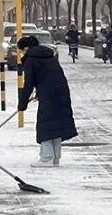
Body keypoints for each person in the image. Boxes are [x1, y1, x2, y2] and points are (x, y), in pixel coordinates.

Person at [17, 35, 77, 167]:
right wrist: (40, 93)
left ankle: (47, 157)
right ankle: (55, 158)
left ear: (26, 49)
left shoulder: (31, 59)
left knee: (45, 125)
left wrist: (22, 104)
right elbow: (48, 76)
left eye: (21, 51)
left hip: (49, 95)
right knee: (55, 125)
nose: (21, 54)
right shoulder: (49, 56)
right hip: (61, 92)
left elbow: (28, 84)